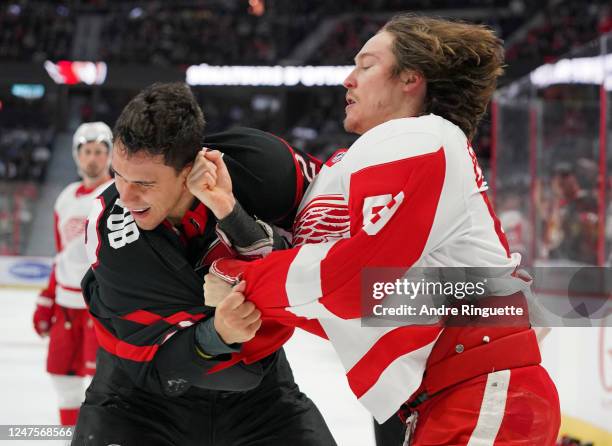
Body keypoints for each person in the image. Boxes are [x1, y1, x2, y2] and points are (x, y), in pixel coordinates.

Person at [205, 14, 561, 445]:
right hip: (452, 396)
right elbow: (369, 303)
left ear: (410, 79)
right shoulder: (362, 159)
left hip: (479, 389)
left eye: (366, 64)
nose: (348, 80)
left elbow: (357, 284)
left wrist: (240, 279)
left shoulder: (424, 137)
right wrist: (230, 217)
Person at [72, 82, 335, 446]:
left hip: (261, 399)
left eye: (144, 183)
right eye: (118, 174)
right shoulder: (115, 240)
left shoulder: (264, 165)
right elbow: (177, 367)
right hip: (137, 399)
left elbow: (338, 252)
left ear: (189, 170)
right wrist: (222, 330)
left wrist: (231, 215)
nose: (125, 195)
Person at [32, 122, 113, 426]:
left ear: (109, 156)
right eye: (87, 151)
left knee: (101, 386)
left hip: (100, 307)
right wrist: (47, 297)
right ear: (77, 155)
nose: (92, 158)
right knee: (62, 379)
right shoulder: (64, 197)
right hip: (66, 306)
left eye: (99, 152)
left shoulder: (117, 195)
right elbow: (61, 255)